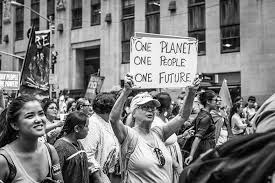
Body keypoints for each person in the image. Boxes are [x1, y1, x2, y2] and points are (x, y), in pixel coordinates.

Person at [109, 74, 200, 183]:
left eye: (152, 107)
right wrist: (126, 92)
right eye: (145, 107)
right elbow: (114, 119)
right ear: (133, 113)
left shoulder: (159, 133)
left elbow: (182, 116)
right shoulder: (129, 135)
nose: (150, 110)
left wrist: (192, 92)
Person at [0, 95, 63, 182]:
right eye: (30, 116)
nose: (38, 120)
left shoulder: (50, 151)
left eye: (41, 114)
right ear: (15, 125)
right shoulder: (4, 160)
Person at [152, 92, 194, 183]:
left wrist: (183, 136)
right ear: (166, 108)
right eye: (171, 104)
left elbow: (168, 140)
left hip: (174, 162)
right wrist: (176, 166)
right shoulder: (155, 123)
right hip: (168, 164)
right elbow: (160, 147)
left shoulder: (165, 119)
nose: (173, 107)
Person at [80, 92, 120, 183]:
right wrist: (99, 179)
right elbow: (88, 154)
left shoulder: (110, 122)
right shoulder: (93, 124)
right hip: (100, 177)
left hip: (112, 174)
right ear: (110, 108)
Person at [54, 111, 89, 183]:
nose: (88, 129)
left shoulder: (78, 143)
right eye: (86, 126)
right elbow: (56, 175)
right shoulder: (60, 146)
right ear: (77, 128)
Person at [185, 90, 217, 165]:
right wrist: (191, 155)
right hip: (205, 150)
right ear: (208, 101)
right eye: (215, 100)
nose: (217, 102)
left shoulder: (202, 114)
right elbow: (198, 137)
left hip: (205, 148)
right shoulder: (205, 117)